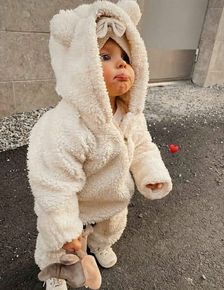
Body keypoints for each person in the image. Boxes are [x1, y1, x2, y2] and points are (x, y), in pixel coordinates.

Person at [27, 1, 172, 289]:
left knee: (110, 227)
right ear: (82, 68)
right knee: (61, 243)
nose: (121, 64)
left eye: (126, 58)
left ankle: (100, 244)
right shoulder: (66, 126)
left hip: (112, 198)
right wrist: (65, 227)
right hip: (75, 203)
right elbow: (54, 184)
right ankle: (58, 272)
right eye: (105, 55)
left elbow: (142, 146)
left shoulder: (131, 115)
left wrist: (150, 173)